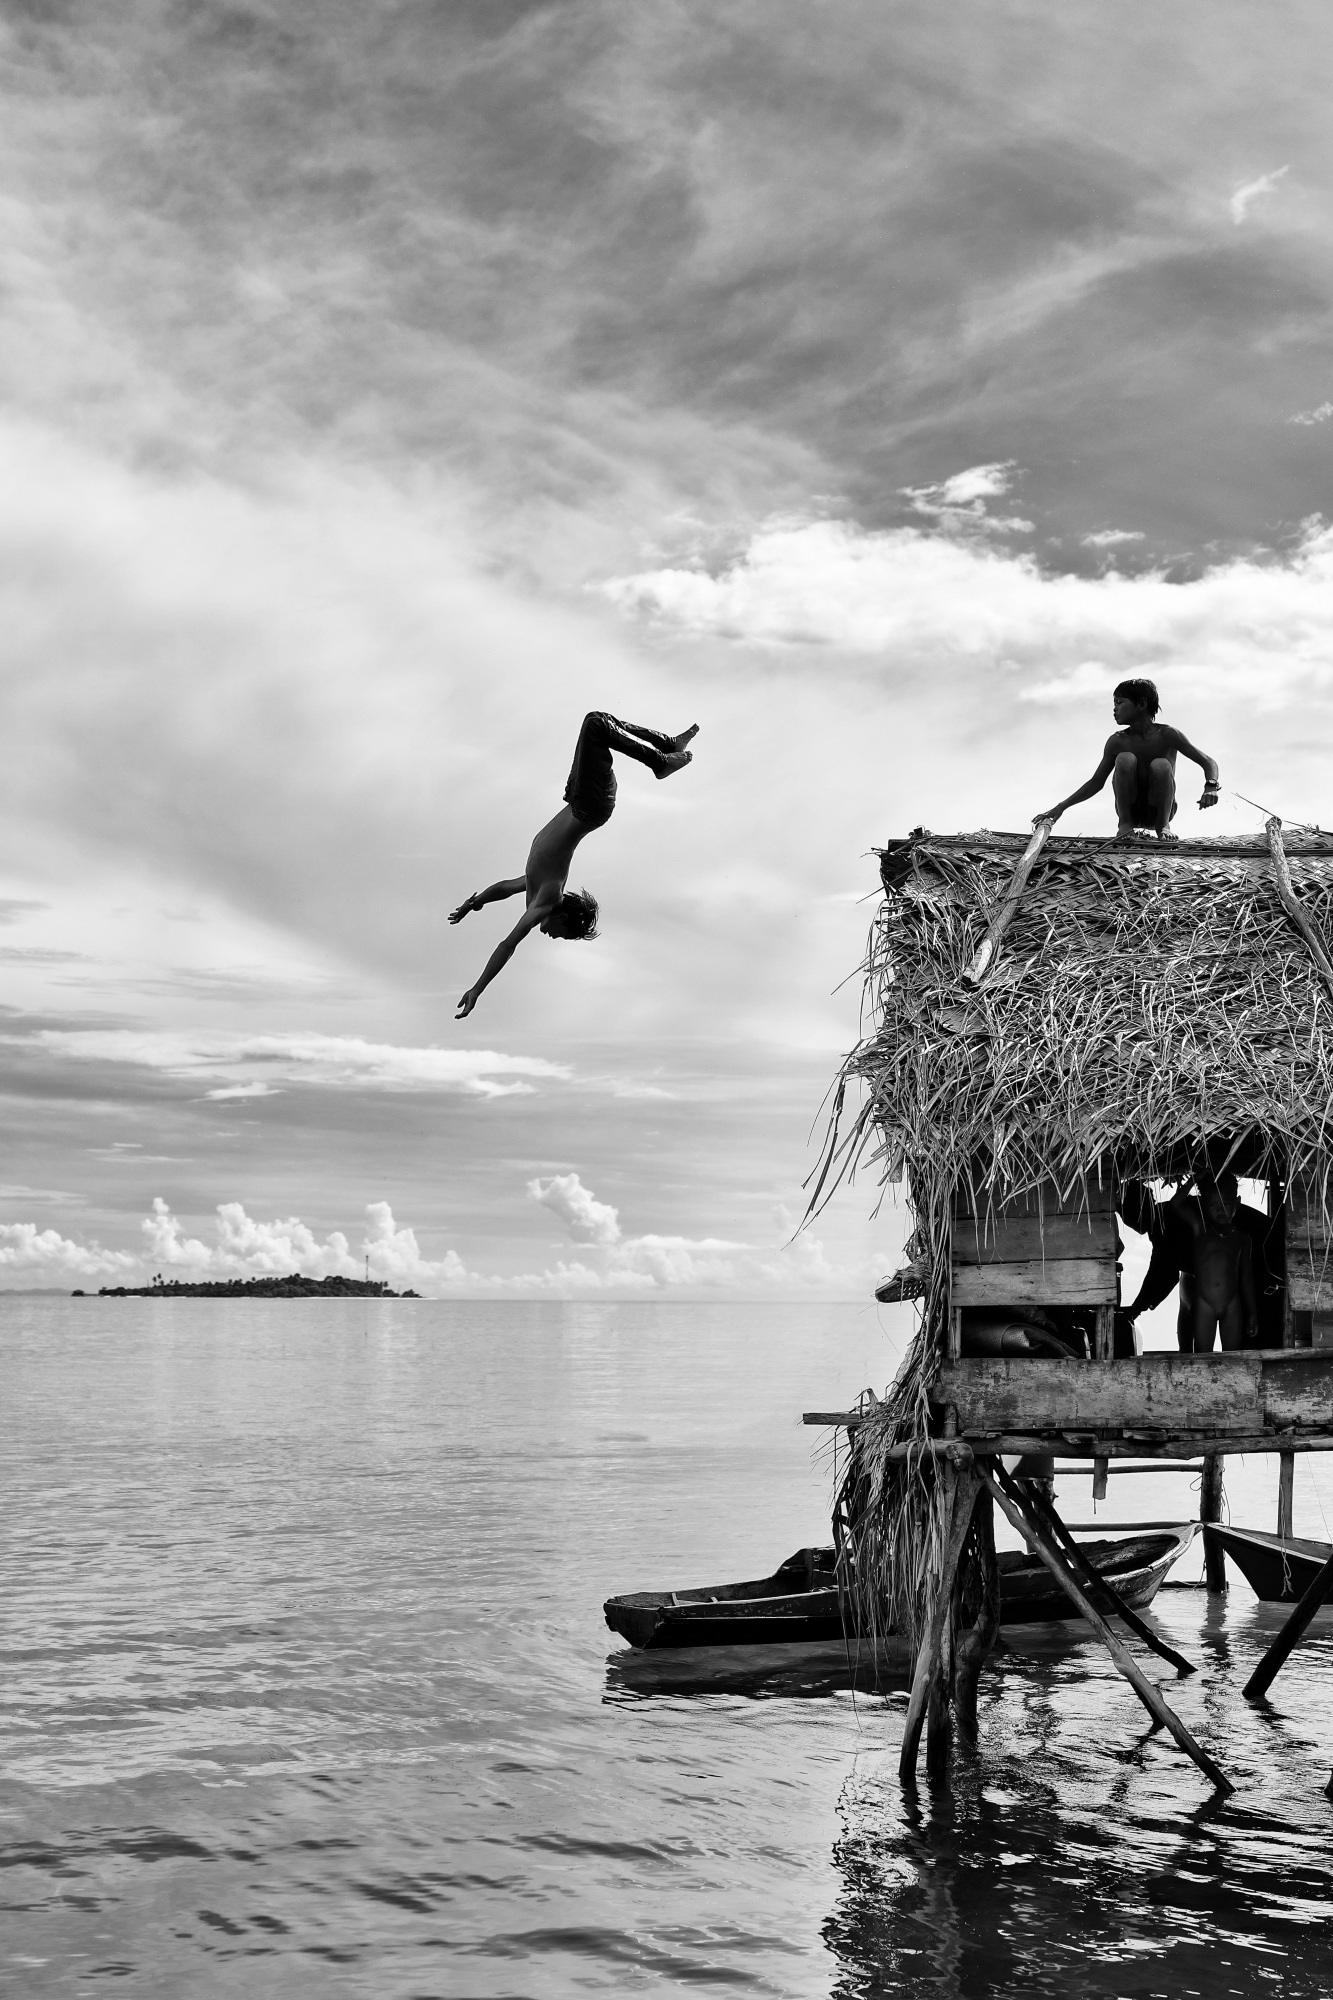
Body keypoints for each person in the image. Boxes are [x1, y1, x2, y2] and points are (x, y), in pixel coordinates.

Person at [451, 712, 697, 1018]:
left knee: (597, 721)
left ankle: (666, 747)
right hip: (591, 805)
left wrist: (474, 904)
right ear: (563, 916)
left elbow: (504, 888)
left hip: (578, 799)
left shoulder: (538, 889)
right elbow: (508, 944)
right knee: (596, 725)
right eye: (562, 934)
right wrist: (478, 987)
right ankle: (661, 760)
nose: (554, 937)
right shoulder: (547, 898)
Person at [1034, 678, 1220, 841]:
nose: (1114, 709)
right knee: (1125, 758)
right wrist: (1061, 807)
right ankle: (1125, 824)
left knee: (1161, 764)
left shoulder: (1167, 735)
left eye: (1119, 702)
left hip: (1158, 810)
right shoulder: (1117, 741)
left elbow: (1208, 762)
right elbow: (1096, 782)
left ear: (1141, 704)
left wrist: (1211, 786)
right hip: (1132, 808)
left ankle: (1163, 826)